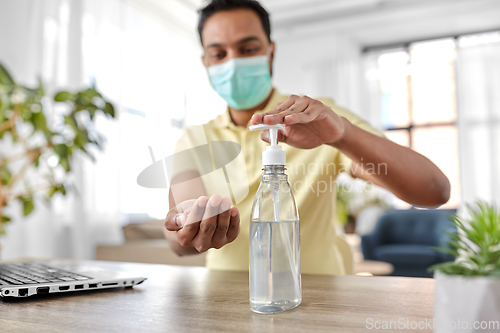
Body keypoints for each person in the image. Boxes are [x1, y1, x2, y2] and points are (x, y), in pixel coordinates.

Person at [163, 0, 450, 275]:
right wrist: (190, 227)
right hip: (223, 302)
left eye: (247, 48)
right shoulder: (194, 140)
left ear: (270, 52)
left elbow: (433, 189)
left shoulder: (319, 121)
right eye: (219, 54)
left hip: (319, 302)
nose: (233, 63)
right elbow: (177, 239)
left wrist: (343, 135)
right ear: (206, 61)